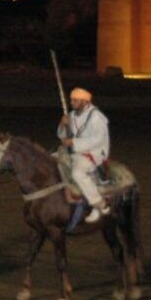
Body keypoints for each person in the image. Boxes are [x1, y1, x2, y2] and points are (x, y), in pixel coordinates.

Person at [58, 87, 111, 223]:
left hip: (94, 151)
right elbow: (62, 136)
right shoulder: (72, 115)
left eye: (75, 100)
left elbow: (97, 139)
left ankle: (99, 203)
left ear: (85, 101)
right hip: (75, 149)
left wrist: (73, 142)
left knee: (77, 173)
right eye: (71, 100)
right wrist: (63, 126)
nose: (72, 102)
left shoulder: (96, 117)